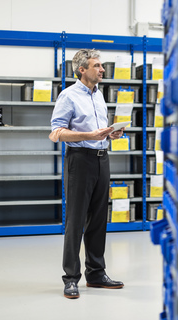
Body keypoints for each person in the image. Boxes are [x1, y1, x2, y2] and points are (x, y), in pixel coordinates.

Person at [50, 49, 126, 299]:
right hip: (80, 161)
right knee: (76, 220)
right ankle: (71, 278)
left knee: (98, 220)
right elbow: (57, 133)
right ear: (81, 69)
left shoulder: (99, 95)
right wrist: (89, 136)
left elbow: (97, 130)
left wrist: (110, 134)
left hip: (102, 159)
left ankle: (96, 273)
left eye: (101, 65)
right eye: (97, 65)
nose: (102, 69)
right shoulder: (68, 95)